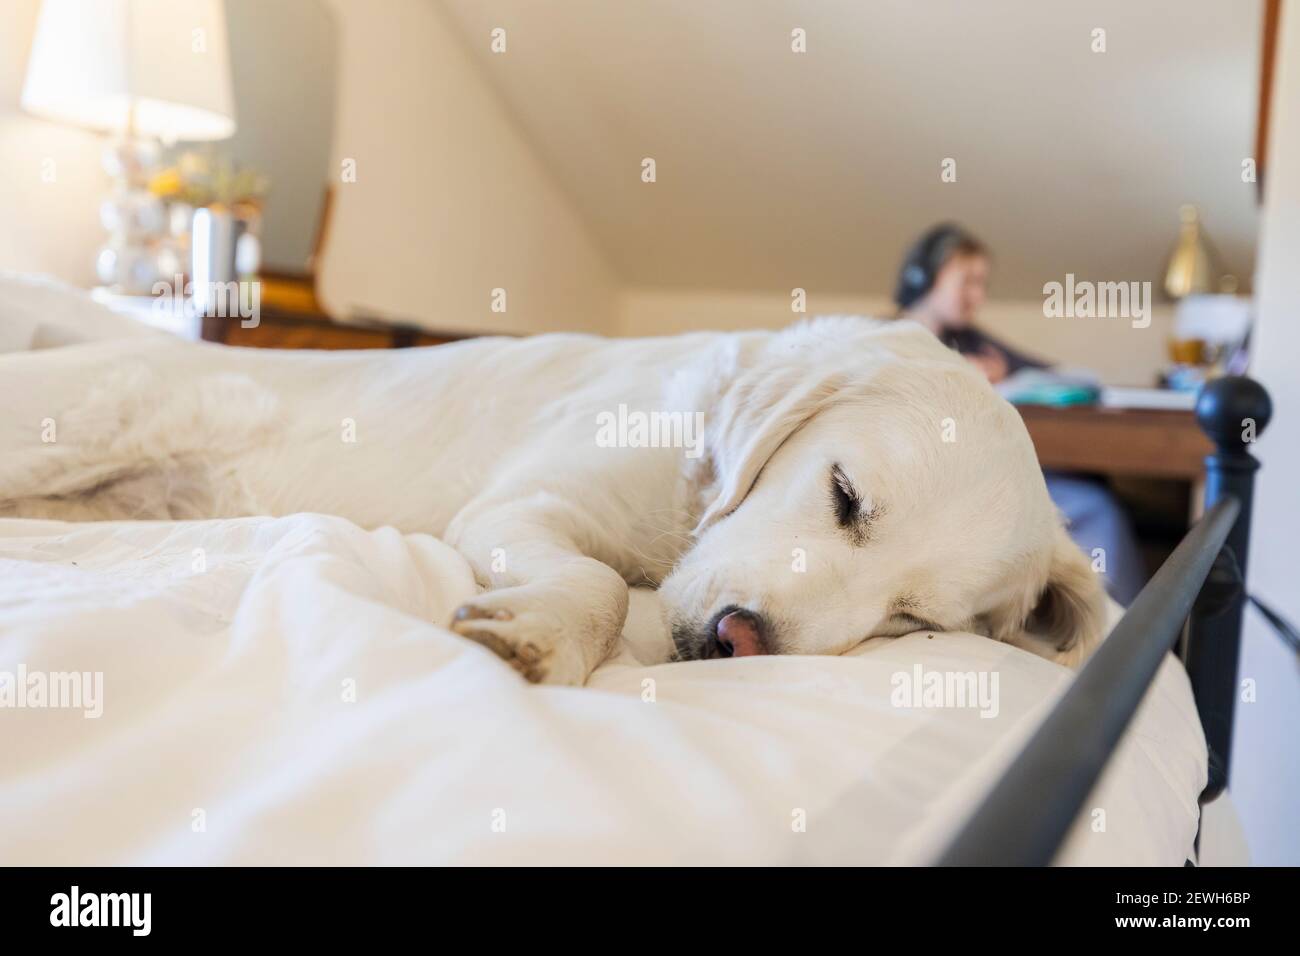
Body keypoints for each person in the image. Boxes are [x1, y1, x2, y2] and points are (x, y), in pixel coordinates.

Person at [893, 223, 1145, 605]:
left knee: (1097, 493)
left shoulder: (973, 340)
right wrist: (960, 373)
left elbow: (1052, 374)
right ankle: (1116, 630)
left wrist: (1009, 374)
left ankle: (1104, 618)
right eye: (967, 282)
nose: (977, 296)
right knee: (1097, 508)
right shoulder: (889, 342)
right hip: (945, 484)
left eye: (983, 284)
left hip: (992, 469)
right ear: (925, 277)